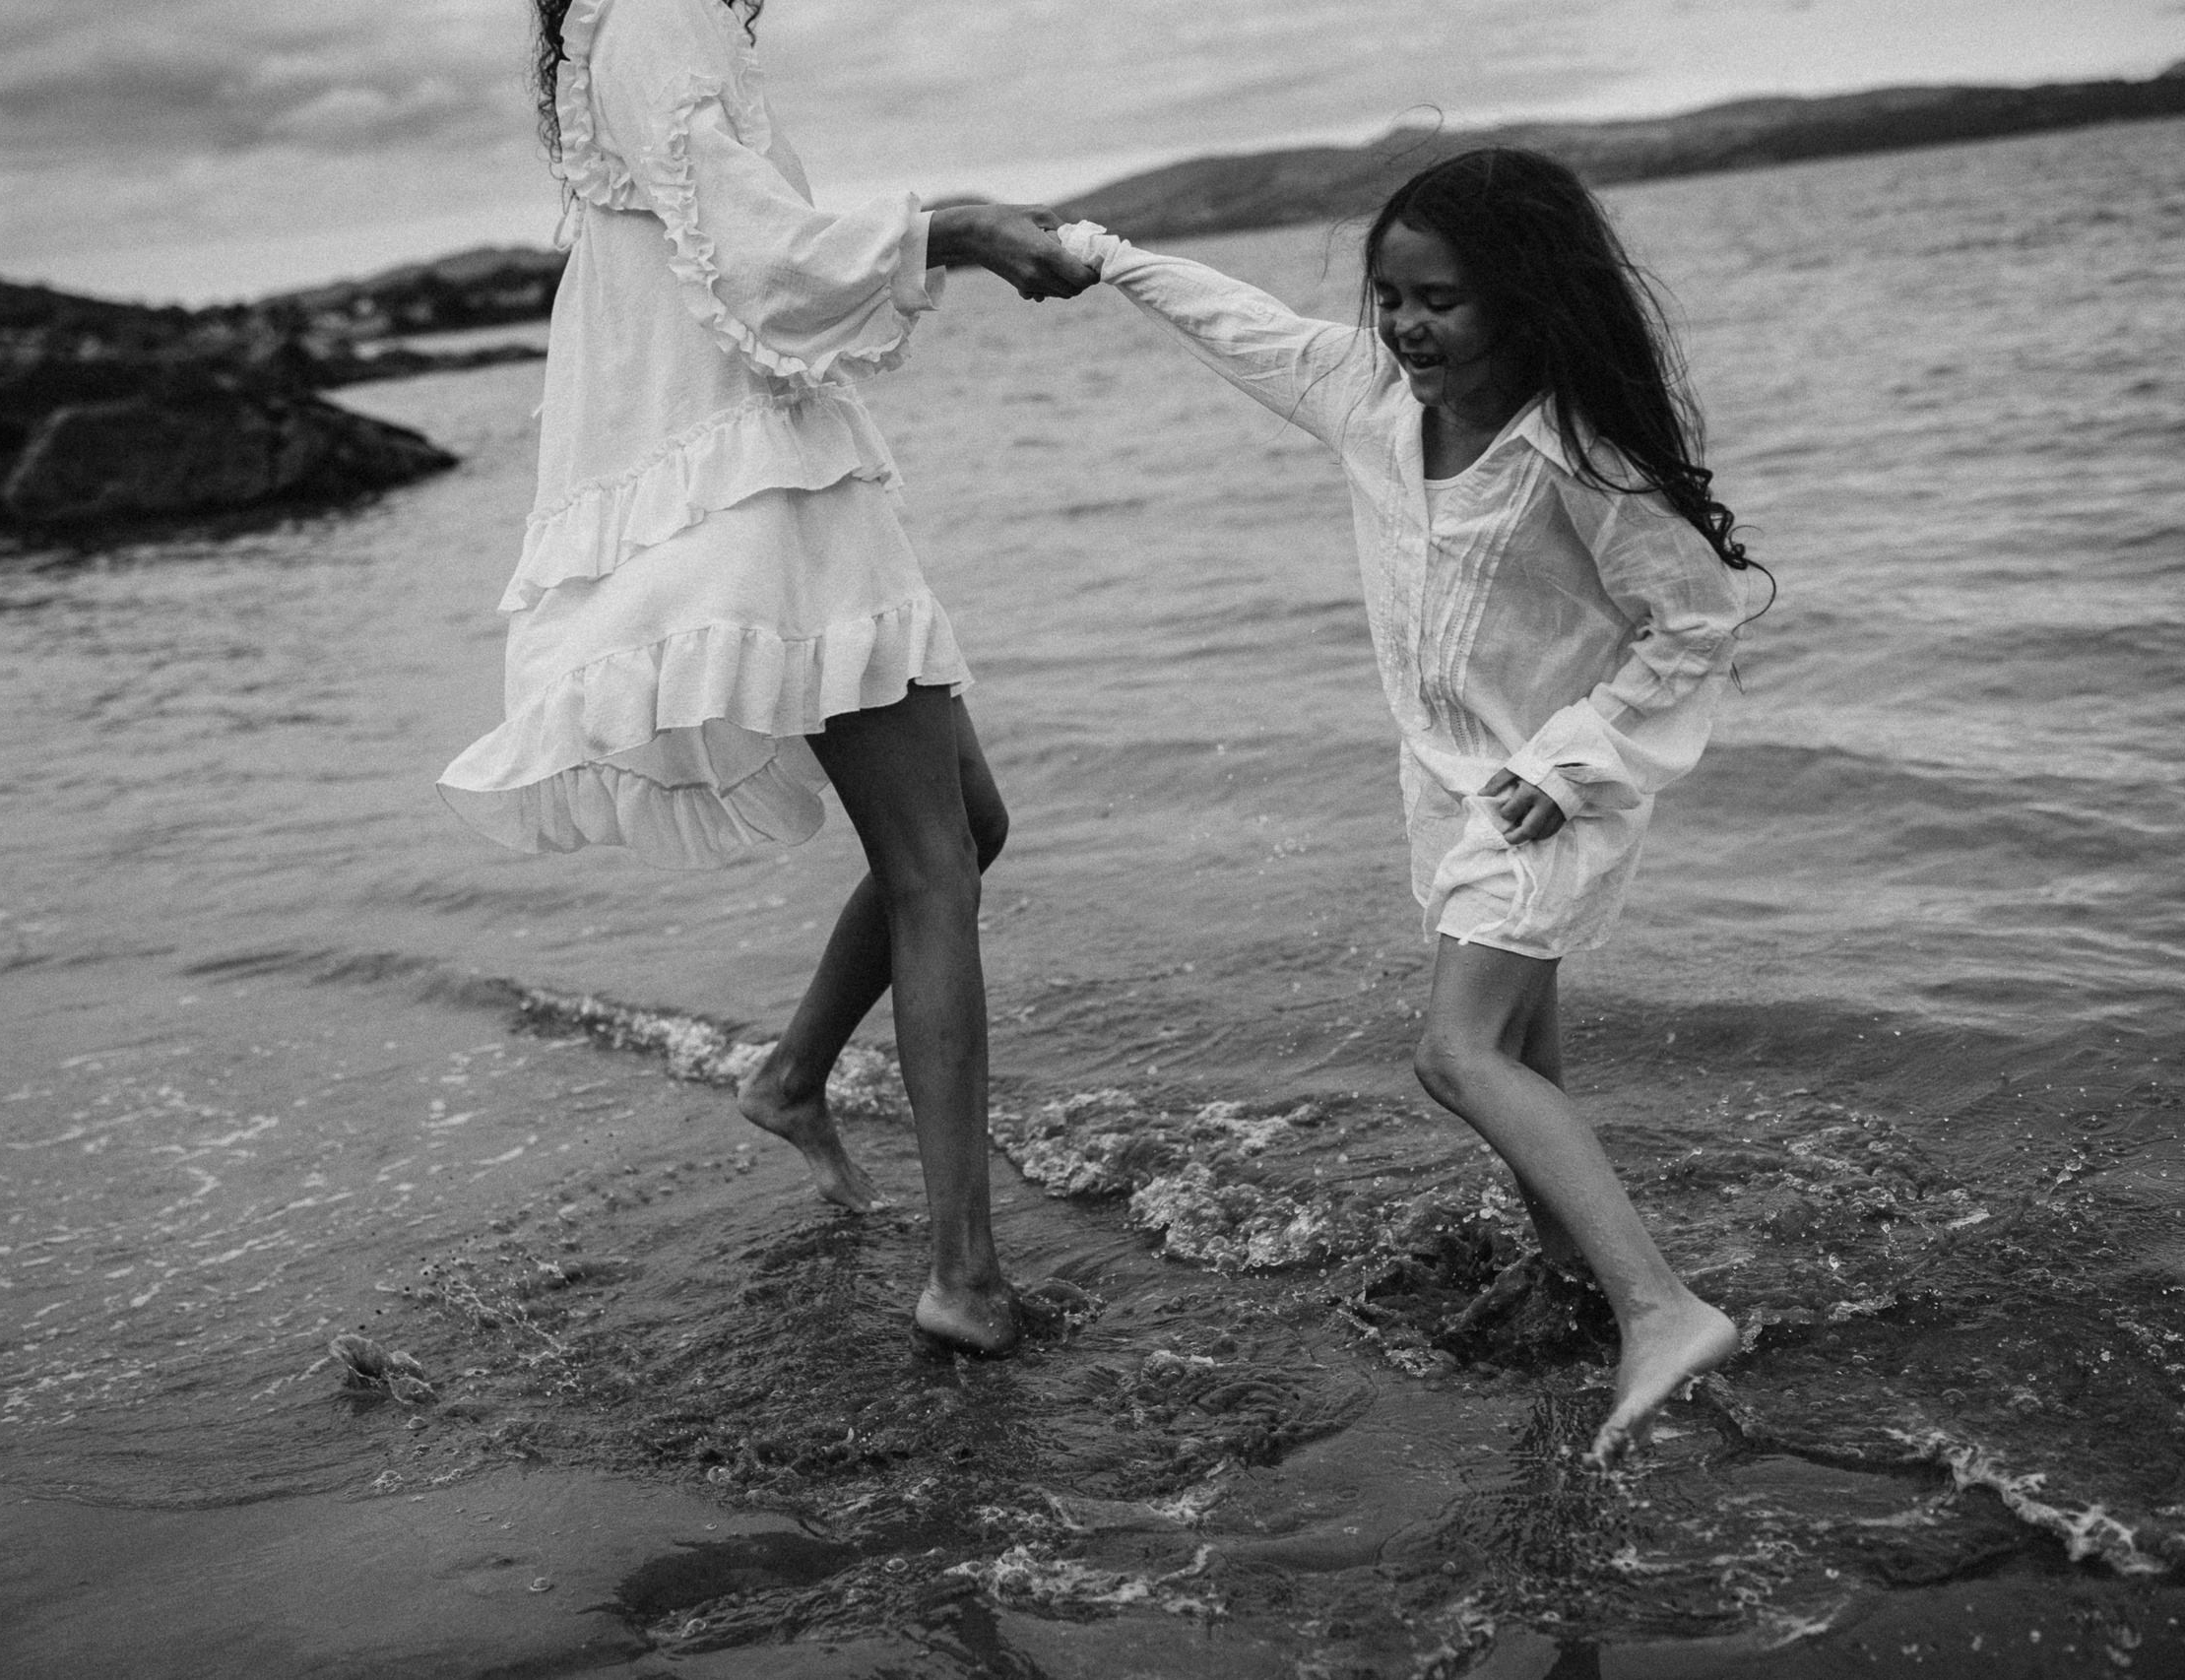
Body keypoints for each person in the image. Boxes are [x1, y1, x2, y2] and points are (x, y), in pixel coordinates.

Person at [1054, 149, 1762, 1461]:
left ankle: (1663, 1306)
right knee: (1524, 1056)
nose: (1408, 327)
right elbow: (1239, 321)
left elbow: (1697, 621)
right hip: (1443, 793)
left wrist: (1572, 763)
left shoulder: (1575, 454)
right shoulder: (1368, 399)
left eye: (1442, 300)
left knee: (1458, 1053)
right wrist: (1103, 258)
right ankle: (1574, 1298)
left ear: (1523, 299)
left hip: (1554, 795)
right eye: (1390, 297)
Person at [439, 0, 1096, 1354]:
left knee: (968, 829)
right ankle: (964, 1277)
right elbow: (756, 258)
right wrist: (959, 227)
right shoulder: (659, 12)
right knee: (935, 863)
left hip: (766, 463)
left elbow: (721, 259)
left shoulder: (644, 20)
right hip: (757, 485)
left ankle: (795, 1076)